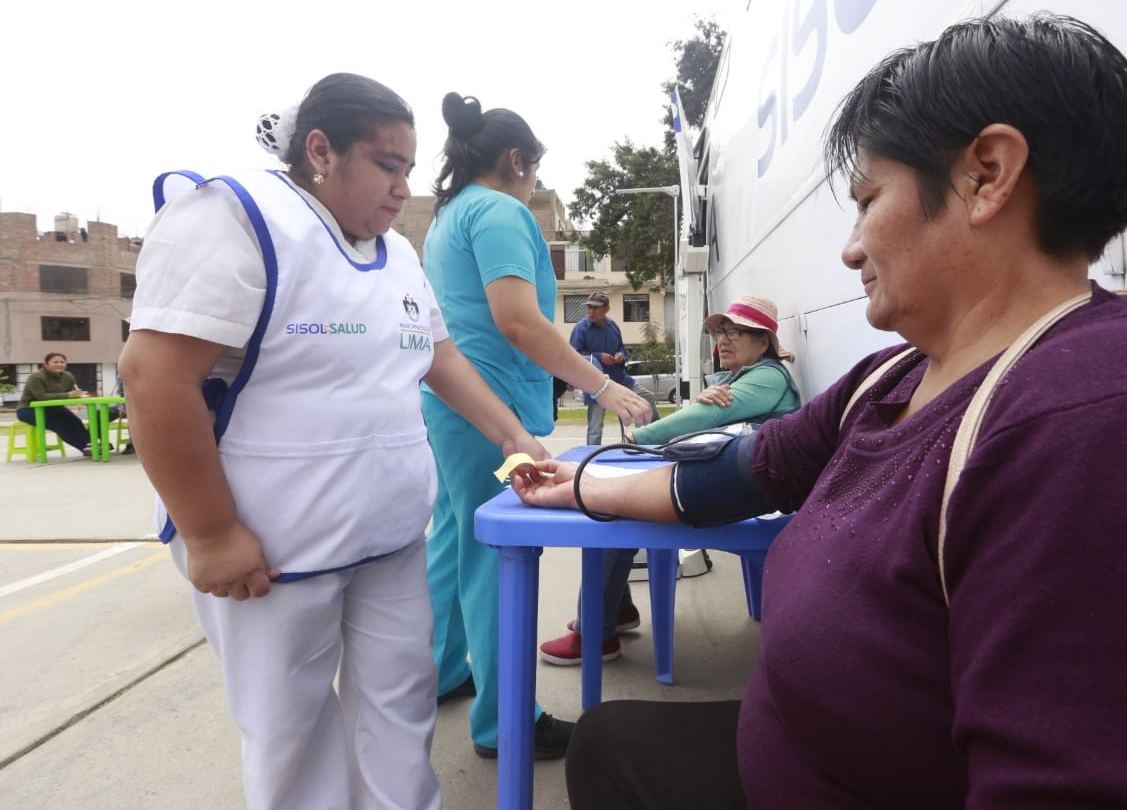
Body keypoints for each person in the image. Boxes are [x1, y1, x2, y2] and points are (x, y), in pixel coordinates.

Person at [509, 14, 1127, 808]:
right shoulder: (894, 378)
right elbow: (740, 473)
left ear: (987, 174)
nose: (851, 248)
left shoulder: (1125, 429)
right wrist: (575, 481)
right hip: (798, 754)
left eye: (868, 198)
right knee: (608, 743)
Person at [119, 73, 550, 810]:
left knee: (401, 706)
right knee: (293, 734)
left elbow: (440, 358)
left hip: (386, 539)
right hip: (272, 549)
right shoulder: (237, 219)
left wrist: (516, 436)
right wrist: (212, 530)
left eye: (410, 169)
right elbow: (153, 376)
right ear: (321, 149)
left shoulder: (397, 252)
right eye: (388, 165)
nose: (403, 186)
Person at [421, 92, 653, 761]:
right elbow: (519, 321)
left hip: (452, 410)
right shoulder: (499, 211)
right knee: (501, 552)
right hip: (492, 415)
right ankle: (506, 721)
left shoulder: (448, 216)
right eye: (535, 172)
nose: (535, 184)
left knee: (456, 537)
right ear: (516, 160)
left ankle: (442, 671)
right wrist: (604, 385)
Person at [539, 294, 801, 666]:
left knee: (610, 509)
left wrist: (637, 437)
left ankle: (596, 634)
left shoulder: (767, 377)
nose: (722, 340)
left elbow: (704, 419)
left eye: (736, 332)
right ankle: (617, 612)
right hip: (742, 484)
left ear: (764, 343)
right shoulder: (749, 376)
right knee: (616, 501)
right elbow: (711, 418)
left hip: (753, 497)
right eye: (720, 332)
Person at [570, 291, 660, 445]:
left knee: (648, 398)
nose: (591, 311)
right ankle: (592, 460)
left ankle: (658, 437)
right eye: (589, 307)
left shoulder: (613, 326)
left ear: (606, 309)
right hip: (597, 384)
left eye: (596, 308)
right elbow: (573, 355)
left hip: (621, 379)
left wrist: (621, 356)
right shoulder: (581, 328)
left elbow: (622, 349)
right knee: (595, 427)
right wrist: (599, 356)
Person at [16, 353, 93, 455]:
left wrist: (81, 395)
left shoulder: (68, 376)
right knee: (61, 425)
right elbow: (41, 397)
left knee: (76, 422)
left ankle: (92, 445)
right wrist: (68, 395)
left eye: (62, 362)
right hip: (28, 410)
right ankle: (84, 448)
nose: (59, 364)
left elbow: (73, 392)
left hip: (55, 408)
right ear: (46, 364)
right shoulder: (36, 377)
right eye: (55, 362)